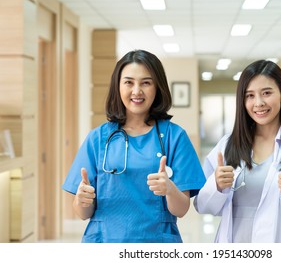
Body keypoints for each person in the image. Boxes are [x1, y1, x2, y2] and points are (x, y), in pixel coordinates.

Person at [62, 49, 206, 243]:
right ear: (118, 86)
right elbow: (83, 213)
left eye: (146, 83)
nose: (137, 91)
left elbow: (181, 210)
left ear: (158, 87)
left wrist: (170, 189)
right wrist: (81, 200)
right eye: (129, 82)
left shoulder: (175, 137)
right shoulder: (98, 138)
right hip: (104, 242)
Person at [194, 59, 281, 242]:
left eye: (266, 93)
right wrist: (216, 186)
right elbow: (202, 206)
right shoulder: (227, 146)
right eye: (249, 95)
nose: (258, 103)